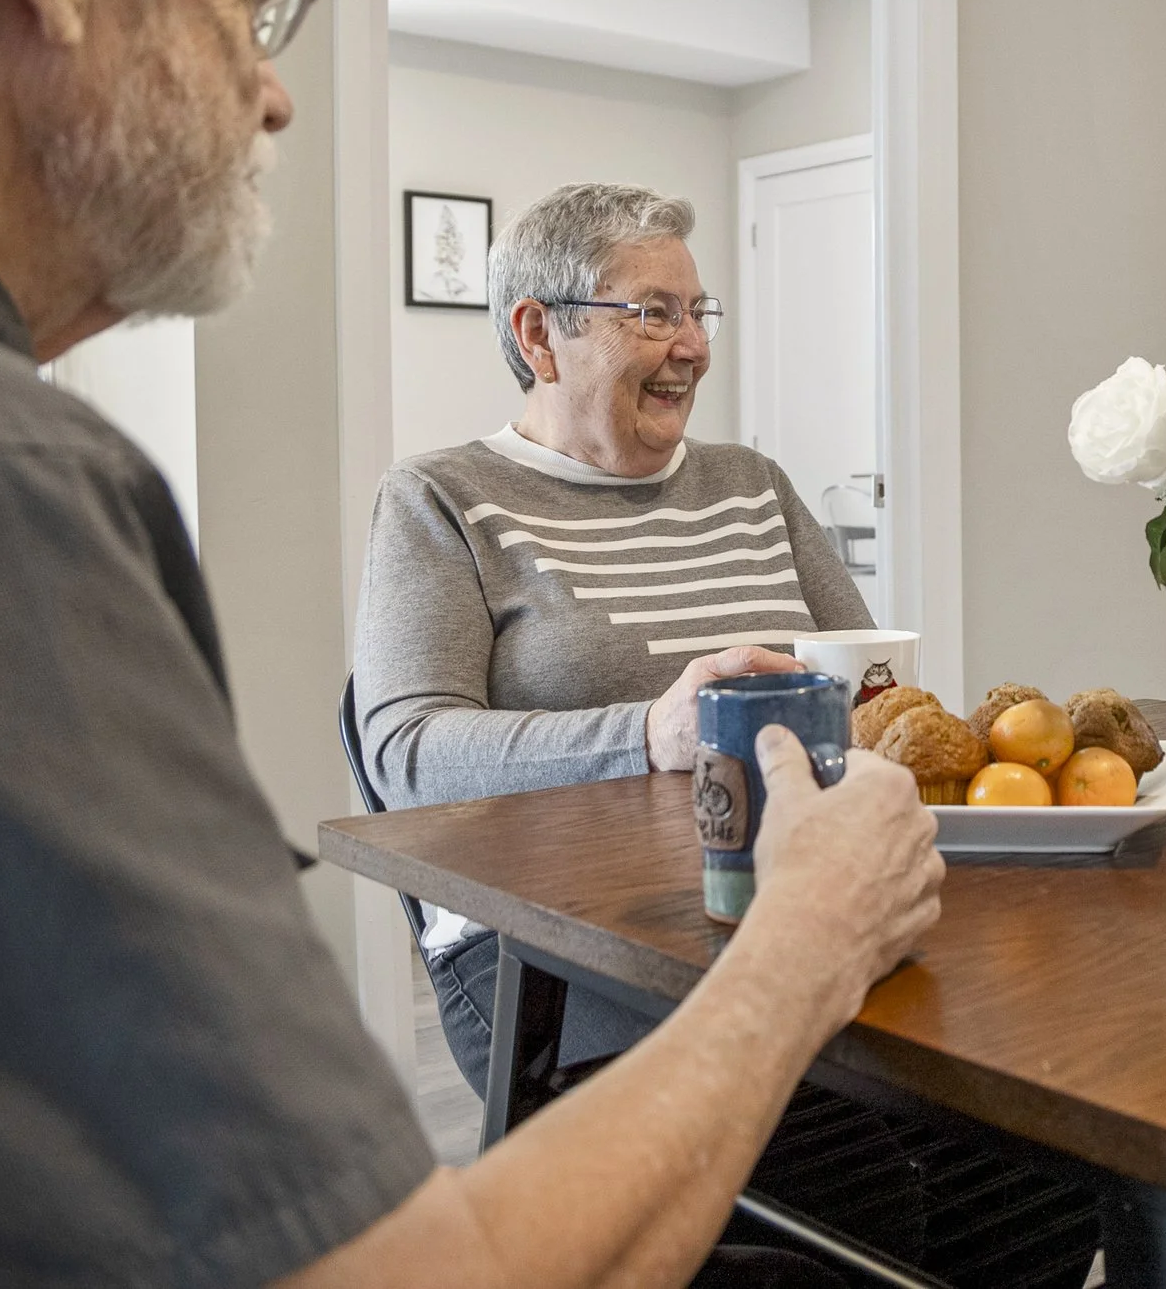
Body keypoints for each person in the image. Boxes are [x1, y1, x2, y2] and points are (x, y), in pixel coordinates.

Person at [0, 0, 939, 1284]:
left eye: (703, 312)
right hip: (595, 966)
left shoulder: (756, 484)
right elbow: (390, 1256)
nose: (274, 97)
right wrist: (803, 936)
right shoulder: (1, 481)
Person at [354, 181, 875, 1089]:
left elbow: (868, 683)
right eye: (653, 313)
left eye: (697, 311)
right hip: (556, 948)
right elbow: (407, 753)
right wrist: (647, 735)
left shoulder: (751, 482)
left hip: (786, 900)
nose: (695, 347)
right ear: (537, 335)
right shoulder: (440, 499)